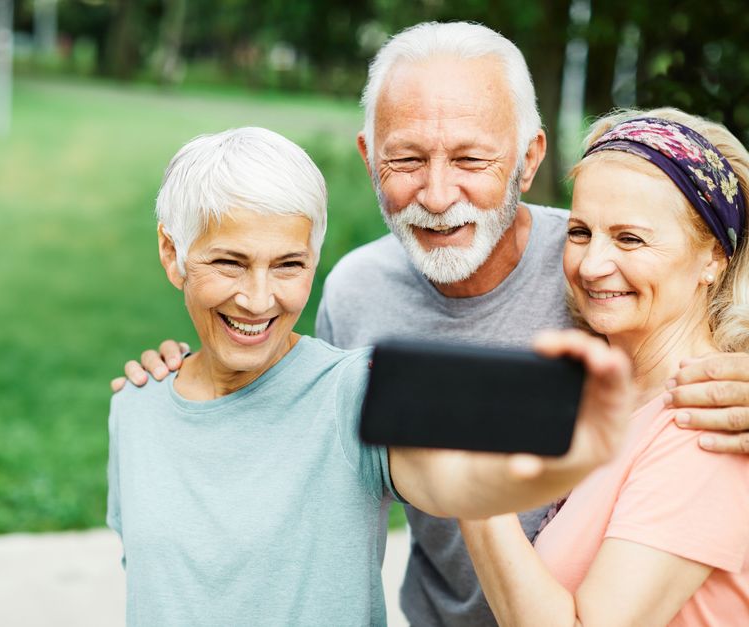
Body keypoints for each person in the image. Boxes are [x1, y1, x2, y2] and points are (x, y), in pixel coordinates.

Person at [113, 22, 749, 626]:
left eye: (471, 159)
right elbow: (304, 440)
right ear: (369, 159)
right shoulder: (356, 293)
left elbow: (707, 309)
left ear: (528, 160)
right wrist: (183, 388)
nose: (438, 195)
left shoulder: (598, 279)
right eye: (407, 159)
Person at [108, 126, 633, 626]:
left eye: (288, 265)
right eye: (229, 263)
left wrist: (568, 457)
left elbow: (457, 482)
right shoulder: (135, 406)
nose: (259, 297)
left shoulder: (354, 391)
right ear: (172, 253)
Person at [460, 109, 749, 626]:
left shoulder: (707, 424)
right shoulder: (608, 392)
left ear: (713, 258)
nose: (591, 265)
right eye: (579, 232)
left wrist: (472, 488)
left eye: (630, 238)